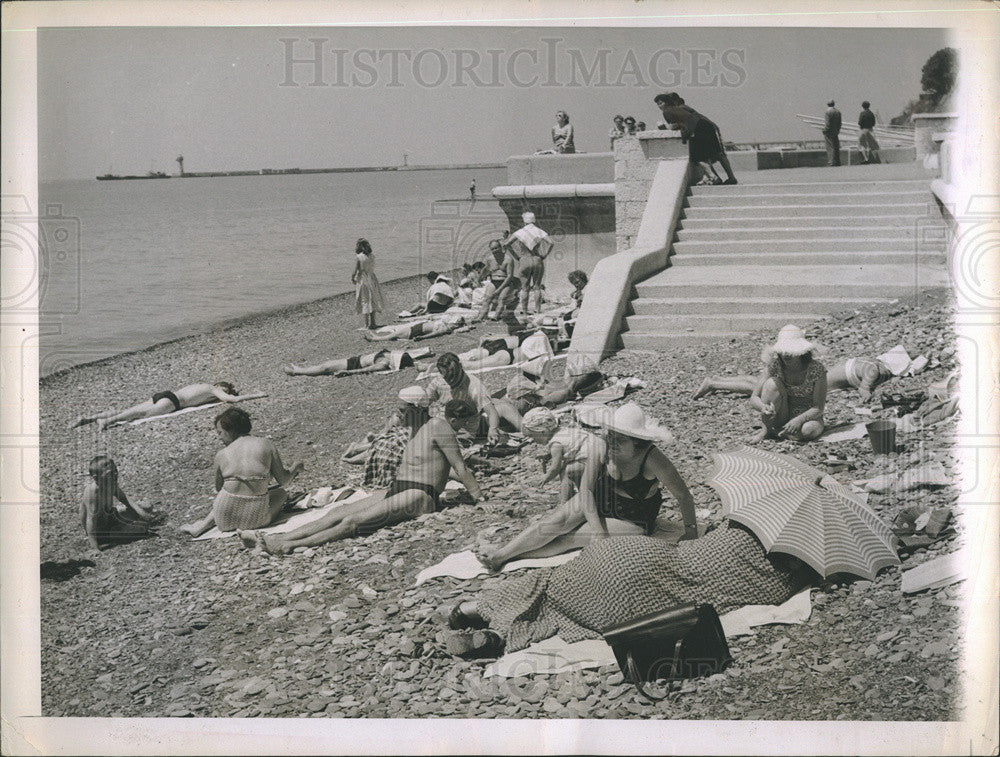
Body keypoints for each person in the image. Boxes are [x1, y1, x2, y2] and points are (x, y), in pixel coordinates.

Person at [445, 516, 816, 658]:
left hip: (634, 554)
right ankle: (497, 639)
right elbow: (766, 593)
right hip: (640, 593)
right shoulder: (779, 582)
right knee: (562, 612)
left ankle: (473, 610)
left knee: (552, 582)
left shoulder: (742, 526)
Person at [241, 399, 486, 554]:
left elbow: (459, 467)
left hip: (421, 495)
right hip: (401, 487)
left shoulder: (439, 427)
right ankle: (278, 537)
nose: (398, 415)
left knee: (353, 522)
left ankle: (288, 545)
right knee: (337, 512)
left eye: (402, 411)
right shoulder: (415, 429)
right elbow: (439, 466)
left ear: (416, 409)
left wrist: (479, 498)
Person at [479, 403, 698, 571]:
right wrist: (598, 529)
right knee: (552, 523)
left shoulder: (652, 459)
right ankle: (501, 555)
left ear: (637, 442)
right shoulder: (603, 446)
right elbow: (586, 490)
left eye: (620, 439)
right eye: (611, 434)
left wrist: (691, 534)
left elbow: (683, 496)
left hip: (634, 516)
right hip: (599, 499)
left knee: (569, 539)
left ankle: (509, 558)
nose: (612, 440)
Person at [180, 407, 304, 537]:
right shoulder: (266, 444)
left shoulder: (221, 454)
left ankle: (201, 526)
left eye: (220, 433)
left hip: (223, 520)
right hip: (256, 520)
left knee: (228, 494)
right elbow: (283, 481)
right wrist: (295, 468)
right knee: (280, 493)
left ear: (230, 430)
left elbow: (218, 488)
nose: (219, 438)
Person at [695, 355, 893, 403]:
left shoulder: (869, 362)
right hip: (809, 382)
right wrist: (866, 389)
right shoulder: (876, 368)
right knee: (762, 387)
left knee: (760, 381)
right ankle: (714, 383)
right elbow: (870, 376)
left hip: (813, 379)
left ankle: (718, 380)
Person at [749, 325, 827, 443]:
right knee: (771, 384)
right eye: (783, 351)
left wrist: (799, 420)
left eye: (790, 350)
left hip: (807, 416)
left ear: (801, 352)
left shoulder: (816, 369)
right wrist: (763, 407)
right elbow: (754, 398)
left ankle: (781, 433)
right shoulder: (774, 366)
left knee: (808, 430)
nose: (786, 355)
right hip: (782, 413)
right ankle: (767, 431)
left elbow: (818, 408)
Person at [71, 381, 248, 431]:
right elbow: (231, 400)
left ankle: (90, 418)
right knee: (137, 415)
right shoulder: (214, 389)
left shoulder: (202, 385)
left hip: (165, 395)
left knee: (131, 410)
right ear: (223, 387)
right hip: (172, 402)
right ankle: (107, 422)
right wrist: (255, 395)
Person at [425, 352, 522, 443]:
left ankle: (527, 430)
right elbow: (426, 400)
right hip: (445, 421)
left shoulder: (473, 385)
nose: (449, 380)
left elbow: (491, 412)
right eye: (445, 376)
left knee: (503, 406)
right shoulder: (439, 381)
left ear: (460, 367)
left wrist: (493, 429)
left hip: (467, 426)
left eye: (452, 376)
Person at [521, 407, 603, 504]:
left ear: (542, 431)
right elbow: (569, 446)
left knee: (566, 471)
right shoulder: (563, 431)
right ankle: (585, 490)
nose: (532, 440)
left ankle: (566, 501)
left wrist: (546, 477)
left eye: (532, 436)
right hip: (601, 451)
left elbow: (555, 468)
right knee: (571, 467)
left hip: (594, 459)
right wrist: (548, 455)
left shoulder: (556, 444)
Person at [654, 92, 737, 184]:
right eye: (658, 104)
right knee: (712, 155)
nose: (659, 106)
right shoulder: (679, 109)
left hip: (698, 129)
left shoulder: (668, 111)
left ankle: (715, 177)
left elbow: (675, 126)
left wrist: (663, 126)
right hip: (705, 127)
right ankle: (718, 178)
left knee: (698, 157)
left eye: (661, 103)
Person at [81, 456, 157, 552]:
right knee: (141, 529)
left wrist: (141, 513)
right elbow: (90, 520)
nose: (115, 474)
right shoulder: (93, 492)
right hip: (101, 529)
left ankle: (130, 524)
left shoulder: (110, 483)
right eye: (110, 473)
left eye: (115, 470)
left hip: (110, 516)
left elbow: (124, 498)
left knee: (146, 506)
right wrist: (95, 548)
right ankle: (113, 534)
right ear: (96, 478)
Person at [500, 211, 553, 315]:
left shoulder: (520, 232)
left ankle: (524, 311)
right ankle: (537, 310)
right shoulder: (539, 231)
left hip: (524, 259)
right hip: (537, 260)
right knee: (537, 287)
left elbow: (506, 244)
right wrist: (545, 254)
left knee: (525, 288)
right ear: (534, 220)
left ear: (524, 221)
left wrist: (516, 256)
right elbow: (551, 242)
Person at [352, 237, 386, 330]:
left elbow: (356, 270)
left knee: (365, 300)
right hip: (372, 277)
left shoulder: (359, 257)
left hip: (363, 279)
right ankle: (373, 323)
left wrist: (353, 278)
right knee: (372, 299)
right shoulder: (372, 256)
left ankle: (366, 324)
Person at [363, 314, 468, 342]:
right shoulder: (447, 325)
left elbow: (435, 334)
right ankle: (375, 336)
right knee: (395, 333)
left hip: (415, 331)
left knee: (393, 335)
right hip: (417, 328)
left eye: (456, 322)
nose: (454, 322)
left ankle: (374, 339)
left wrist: (423, 338)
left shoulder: (446, 329)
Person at [823, 100, 842, 167]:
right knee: (836, 146)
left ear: (827, 104)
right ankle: (837, 161)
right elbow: (840, 123)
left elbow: (827, 123)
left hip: (829, 132)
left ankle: (831, 162)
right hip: (835, 131)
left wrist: (825, 130)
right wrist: (838, 130)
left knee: (830, 147)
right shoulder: (838, 111)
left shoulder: (828, 111)